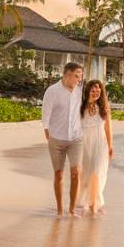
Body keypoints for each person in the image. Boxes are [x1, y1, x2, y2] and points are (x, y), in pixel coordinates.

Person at [41, 62, 84, 216]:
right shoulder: (52, 91)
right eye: (76, 76)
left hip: (76, 138)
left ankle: (71, 210)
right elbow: (46, 112)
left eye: (80, 76)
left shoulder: (80, 92)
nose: (79, 79)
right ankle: (60, 209)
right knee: (59, 174)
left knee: (76, 172)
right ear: (67, 74)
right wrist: (47, 131)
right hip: (56, 138)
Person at [80, 79, 113, 215]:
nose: (96, 92)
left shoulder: (104, 108)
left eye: (98, 90)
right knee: (86, 175)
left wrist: (110, 146)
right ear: (88, 91)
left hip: (100, 144)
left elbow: (108, 129)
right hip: (84, 144)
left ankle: (94, 204)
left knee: (96, 173)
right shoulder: (80, 107)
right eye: (93, 90)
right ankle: (87, 202)